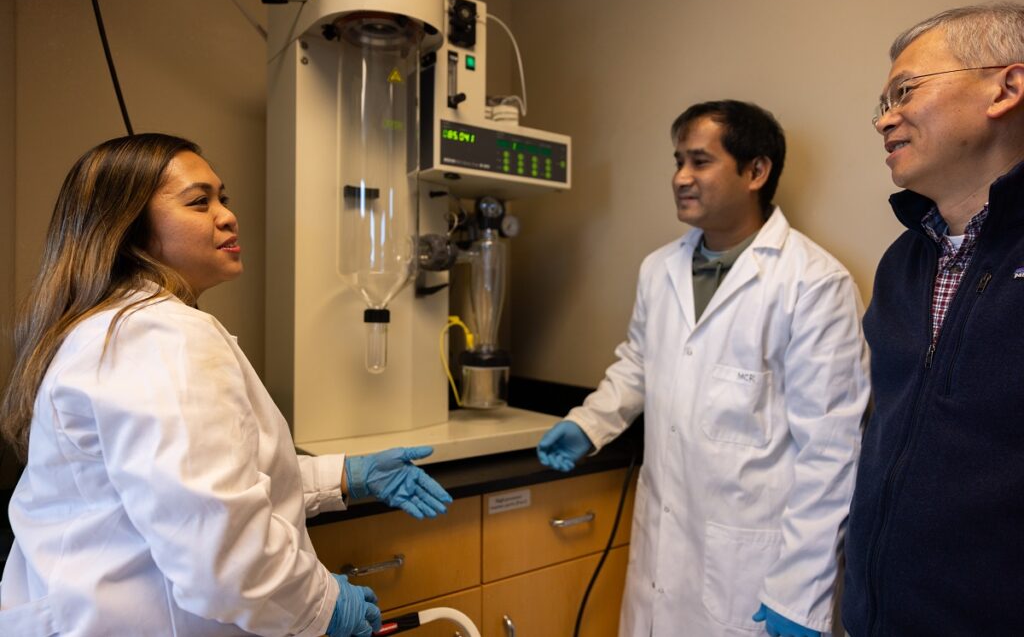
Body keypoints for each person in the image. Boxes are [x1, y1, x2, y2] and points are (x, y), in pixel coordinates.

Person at [0, 133, 452, 636]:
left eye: (223, 198)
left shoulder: (117, 327)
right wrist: (320, 607)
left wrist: (346, 475)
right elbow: (219, 545)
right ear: (129, 230)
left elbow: (197, 487)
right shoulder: (161, 336)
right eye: (199, 202)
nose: (227, 215)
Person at [537, 100, 870, 637]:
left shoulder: (813, 283)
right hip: (662, 552)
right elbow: (638, 361)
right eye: (677, 162)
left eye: (700, 161)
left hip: (753, 573)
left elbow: (831, 452)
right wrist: (589, 422)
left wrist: (801, 593)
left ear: (756, 171)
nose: (680, 178)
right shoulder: (659, 268)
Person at [842, 2, 1024, 636]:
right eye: (882, 104)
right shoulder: (903, 263)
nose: (885, 119)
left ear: (1007, 86)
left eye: (905, 91)